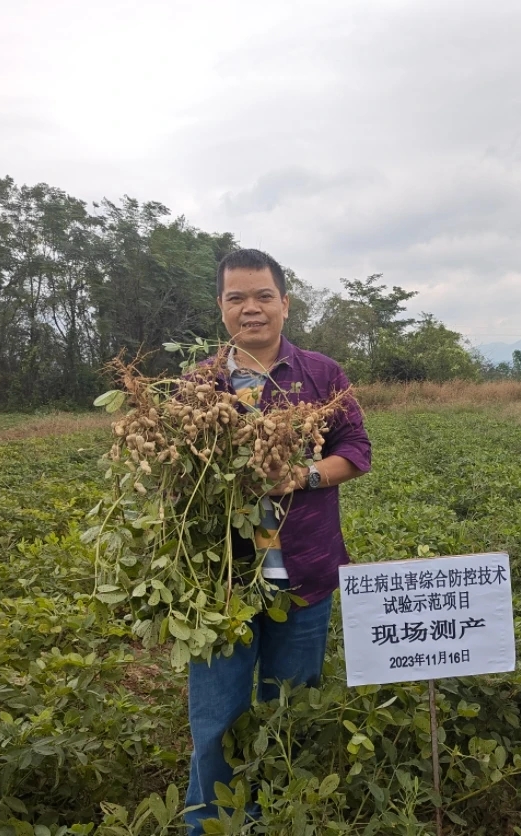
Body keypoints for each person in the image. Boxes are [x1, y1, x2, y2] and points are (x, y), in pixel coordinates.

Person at [184, 248, 371, 832]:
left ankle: (278, 816)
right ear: (221, 308)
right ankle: (211, 823)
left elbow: (357, 450)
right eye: (237, 298)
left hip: (305, 576)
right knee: (216, 717)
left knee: (289, 709)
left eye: (263, 296)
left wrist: (303, 475)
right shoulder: (197, 385)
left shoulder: (322, 375)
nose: (252, 308)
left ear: (285, 304)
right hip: (222, 582)